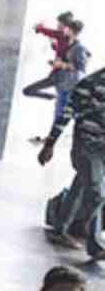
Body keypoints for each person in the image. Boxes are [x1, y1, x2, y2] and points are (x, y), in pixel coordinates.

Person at [39, 65, 105, 258]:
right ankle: (94, 245)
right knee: (96, 193)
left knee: (81, 185)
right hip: (86, 147)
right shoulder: (90, 83)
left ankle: (60, 229)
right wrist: (49, 143)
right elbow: (66, 113)